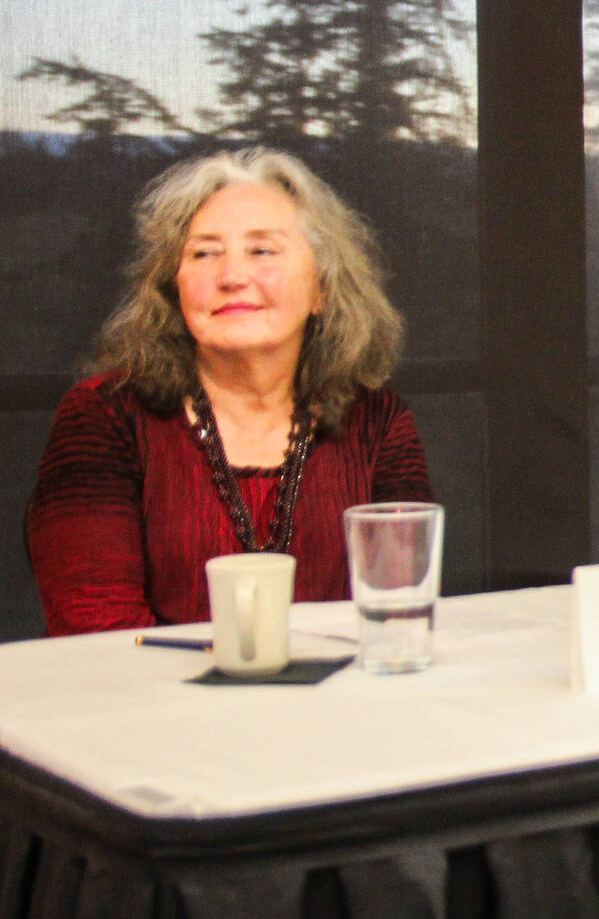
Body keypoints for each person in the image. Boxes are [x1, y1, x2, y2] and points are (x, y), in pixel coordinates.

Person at [27, 148, 433, 636]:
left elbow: (397, 619)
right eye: (204, 253)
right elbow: (97, 633)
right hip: (153, 705)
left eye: (262, 251)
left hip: (334, 705)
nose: (232, 277)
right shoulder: (104, 417)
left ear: (322, 288)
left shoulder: (378, 421)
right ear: (173, 286)